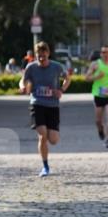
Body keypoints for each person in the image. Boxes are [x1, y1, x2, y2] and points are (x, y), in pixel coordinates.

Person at [20, 41, 70, 176]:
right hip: (37, 103)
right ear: (35, 55)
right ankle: (45, 167)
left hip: (52, 105)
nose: (41, 58)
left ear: (48, 53)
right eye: (38, 56)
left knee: (53, 140)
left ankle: (49, 137)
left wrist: (61, 90)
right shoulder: (31, 67)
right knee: (42, 135)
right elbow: (22, 80)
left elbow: (67, 79)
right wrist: (22, 86)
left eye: (43, 55)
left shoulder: (56, 67)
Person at [86, 47, 108, 149]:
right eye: (102, 52)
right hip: (98, 94)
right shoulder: (95, 64)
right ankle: (100, 130)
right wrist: (96, 77)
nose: (104, 54)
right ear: (100, 54)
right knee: (98, 121)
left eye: (106, 52)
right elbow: (86, 78)